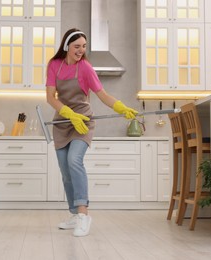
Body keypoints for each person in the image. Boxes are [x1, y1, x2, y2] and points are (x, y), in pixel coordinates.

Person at [45, 28, 138, 237]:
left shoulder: (85, 68)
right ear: (67, 46)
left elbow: (102, 95)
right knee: (65, 169)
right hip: (62, 121)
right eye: (77, 46)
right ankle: (74, 215)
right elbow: (51, 97)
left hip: (83, 122)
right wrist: (67, 112)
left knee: (74, 160)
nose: (81, 50)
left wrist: (121, 107)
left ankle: (84, 214)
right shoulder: (54, 65)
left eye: (84, 46)